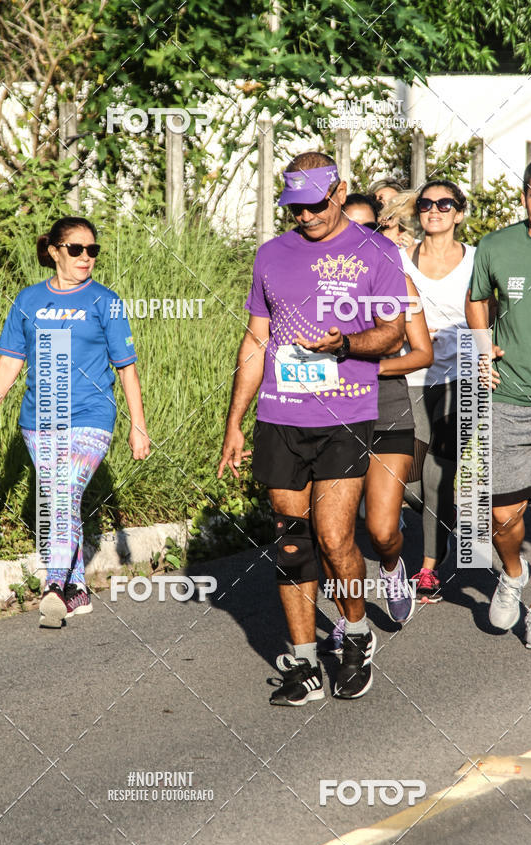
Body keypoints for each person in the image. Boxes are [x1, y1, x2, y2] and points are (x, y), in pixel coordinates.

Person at [217, 151, 408, 705]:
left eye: (317, 205)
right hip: (279, 416)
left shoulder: (377, 251)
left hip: (345, 413)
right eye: (296, 208)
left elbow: (392, 333)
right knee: (291, 543)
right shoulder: (271, 256)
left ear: (340, 191)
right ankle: (301, 664)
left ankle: (354, 634)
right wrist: (234, 423)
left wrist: (345, 344)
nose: (308, 216)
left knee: (333, 537)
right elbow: (255, 340)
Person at [0, 216, 150, 628]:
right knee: (58, 498)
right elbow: (11, 361)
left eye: (93, 251)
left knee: (63, 490)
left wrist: (137, 424)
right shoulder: (28, 300)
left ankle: (52, 585)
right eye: (76, 250)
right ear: (54, 252)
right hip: (40, 418)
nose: (86, 258)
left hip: (91, 414)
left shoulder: (106, 301)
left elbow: (126, 368)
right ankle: (76, 589)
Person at [320, 194, 433, 654]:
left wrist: (371, 367)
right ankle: (352, 621)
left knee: (384, 529)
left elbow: (423, 354)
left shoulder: (399, 281)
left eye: (370, 228)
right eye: (352, 227)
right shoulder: (319, 281)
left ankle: (391, 568)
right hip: (331, 411)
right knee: (335, 533)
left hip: (387, 407)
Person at [466, 152, 531, 649]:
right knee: (503, 518)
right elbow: (477, 297)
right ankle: (512, 571)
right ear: (524, 197)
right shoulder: (496, 247)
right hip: (508, 400)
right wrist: (483, 347)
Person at [400, 180, 475, 601]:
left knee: (436, 470)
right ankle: (445, 516)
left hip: (459, 377)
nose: (435, 209)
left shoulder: (478, 260)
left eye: (445, 204)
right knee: (408, 483)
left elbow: (496, 310)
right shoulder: (399, 261)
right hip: (411, 375)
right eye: (427, 204)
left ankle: (428, 566)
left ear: (459, 213)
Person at [370, 178, 415, 248]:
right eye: (380, 202)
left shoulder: (416, 246)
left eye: (393, 202)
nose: (386, 208)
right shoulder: (362, 245)